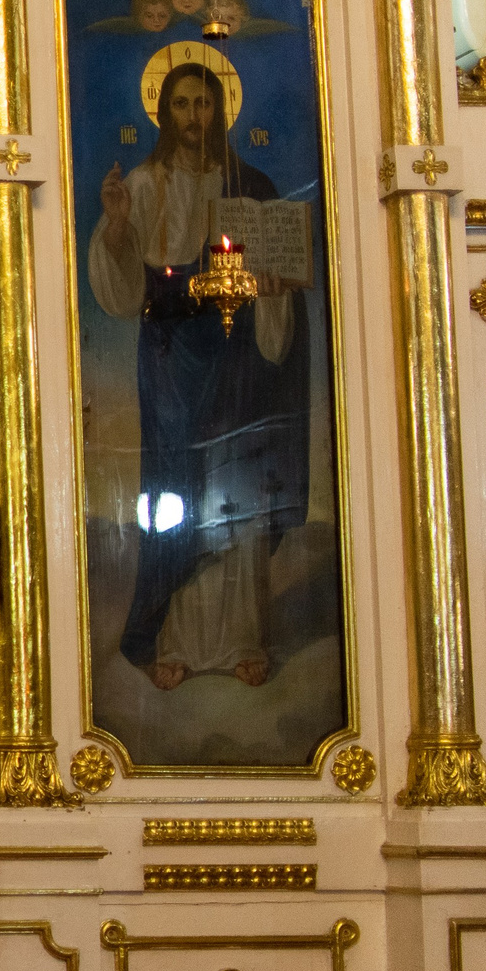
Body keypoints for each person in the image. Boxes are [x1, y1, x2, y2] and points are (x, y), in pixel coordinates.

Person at [87, 60, 308, 690]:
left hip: (237, 355)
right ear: (165, 112)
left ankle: (243, 637)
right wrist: (119, 227)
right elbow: (125, 291)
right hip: (170, 356)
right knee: (178, 481)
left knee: (234, 478)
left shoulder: (251, 185)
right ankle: (171, 637)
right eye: (181, 105)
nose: (194, 118)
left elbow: (278, 278)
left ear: (220, 112)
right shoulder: (144, 183)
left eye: (204, 105)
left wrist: (270, 290)